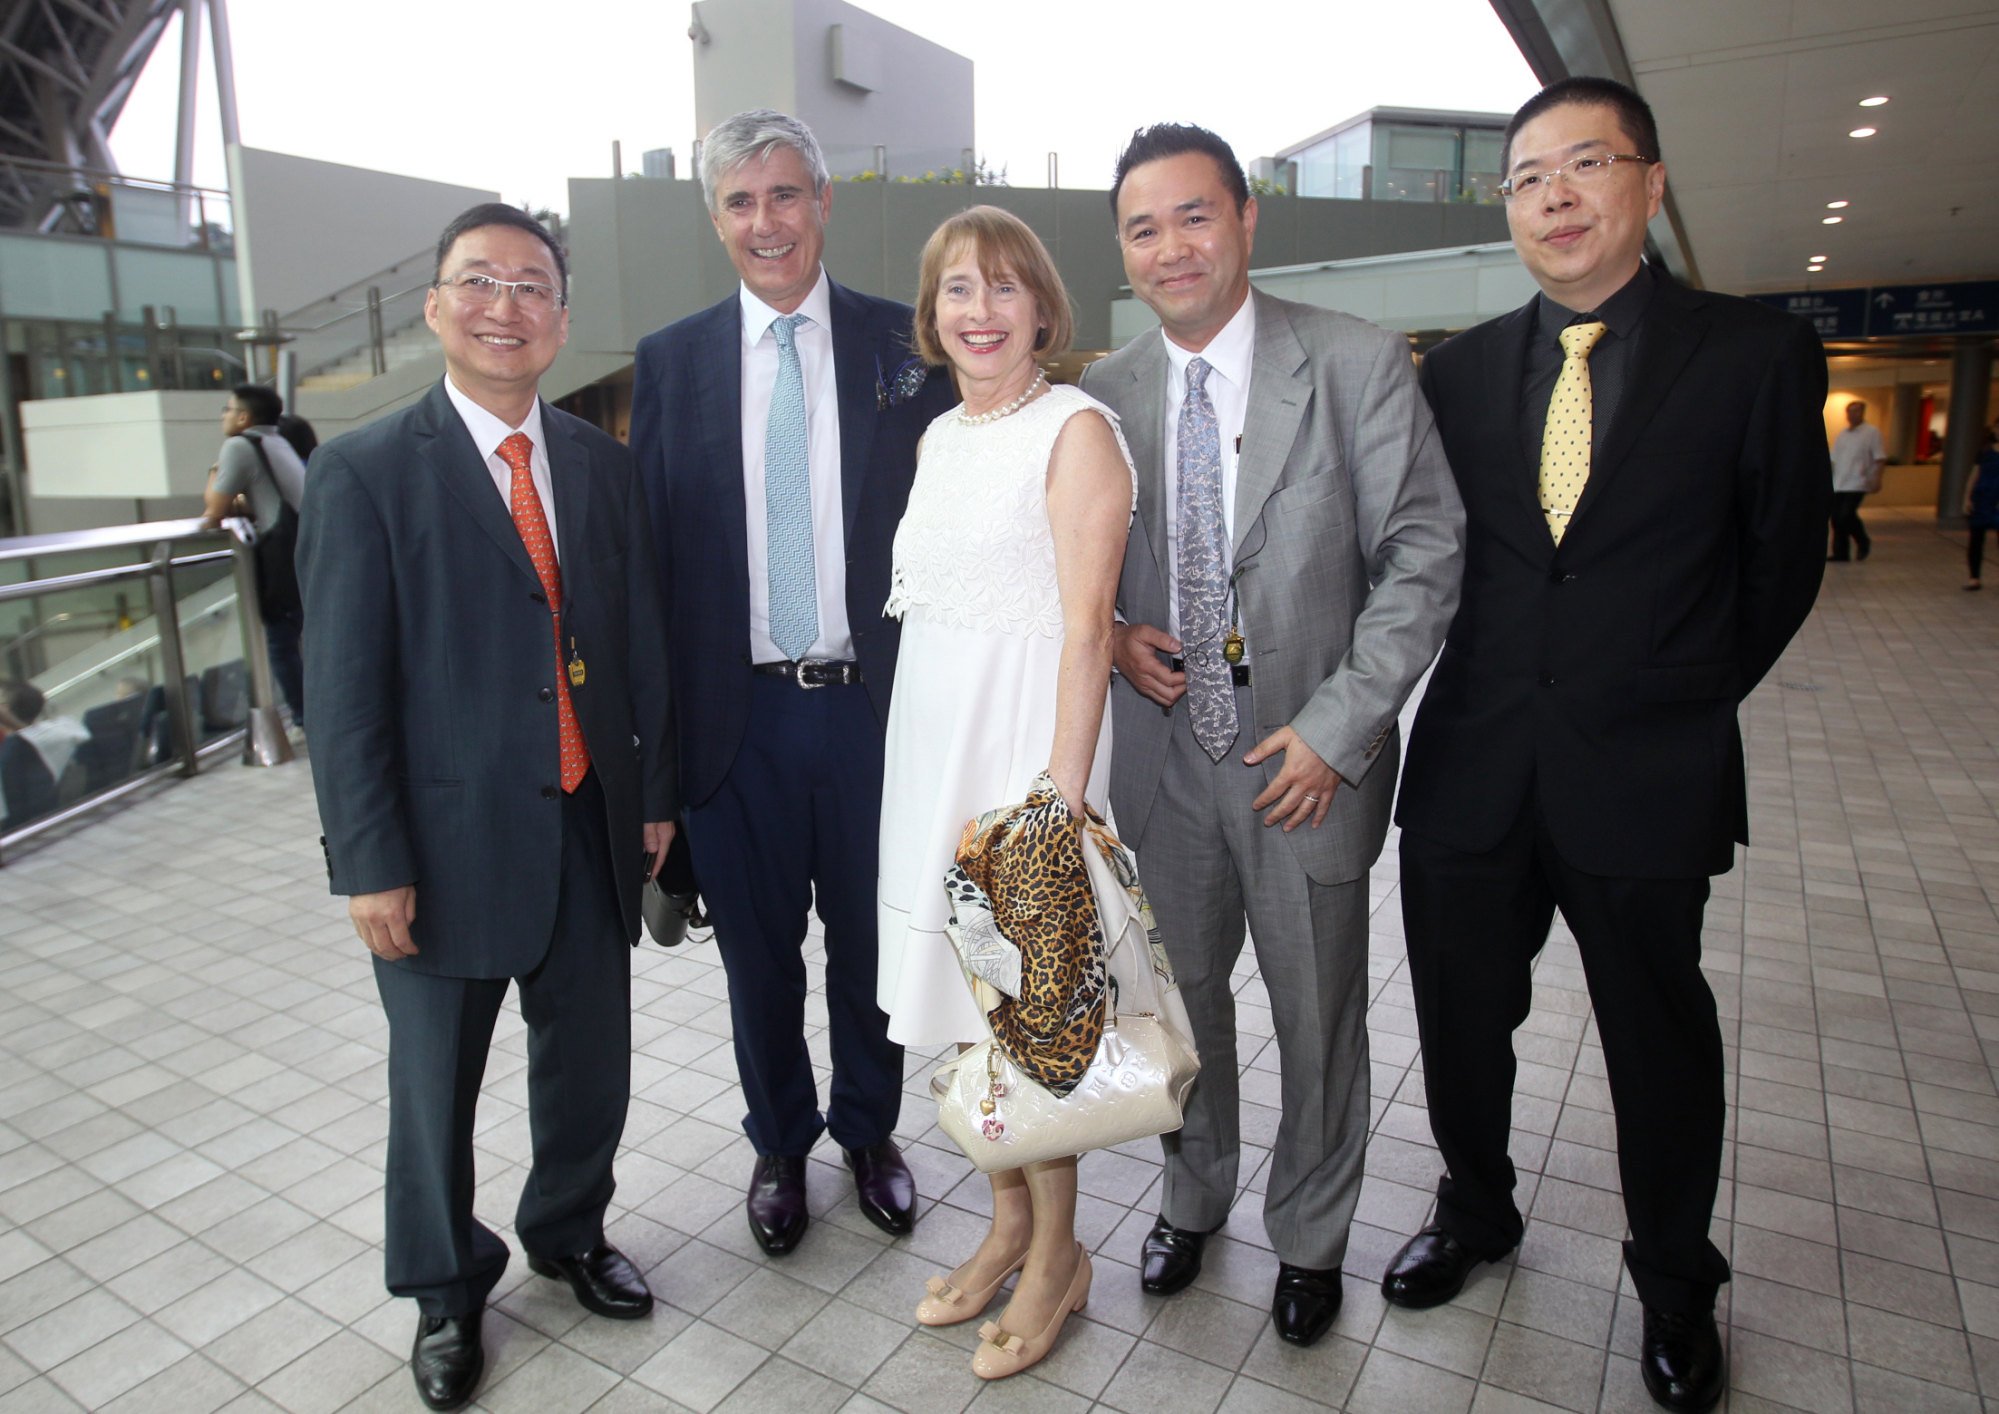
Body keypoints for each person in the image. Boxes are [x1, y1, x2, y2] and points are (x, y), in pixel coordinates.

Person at [1388, 78, 1829, 1414]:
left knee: (1655, 1037)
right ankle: (1475, 1208)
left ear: (1647, 182)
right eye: (1527, 178)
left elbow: (1780, 563)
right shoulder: (1458, 372)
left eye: (1584, 164)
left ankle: (1676, 1280)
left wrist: (1675, 696)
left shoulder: (1751, 354)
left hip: (1644, 772)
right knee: (1459, 1019)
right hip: (1471, 764)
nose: (1555, 197)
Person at [1077, 123, 1464, 1349]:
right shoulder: (1104, 393)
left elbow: (1423, 555)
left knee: (1318, 1015)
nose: (1171, 247)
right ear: (1124, 250)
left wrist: (1337, 728)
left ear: (1246, 218)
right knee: (1182, 1007)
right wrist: (1116, 634)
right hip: (1164, 762)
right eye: (1144, 228)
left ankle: (1309, 1234)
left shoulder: (1352, 361)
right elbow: (1072, 569)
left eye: (1194, 215)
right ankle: (1191, 1197)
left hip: (1306, 767)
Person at [297, 203, 677, 1413]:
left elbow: (639, 646)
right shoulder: (362, 471)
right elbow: (342, 691)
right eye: (478, 282)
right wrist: (368, 860)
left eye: (529, 286)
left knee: (590, 1063)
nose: (503, 306)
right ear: (434, 306)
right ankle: (445, 1288)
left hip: (585, 818)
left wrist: (651, 799)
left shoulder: (601, 466)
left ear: (561, 317)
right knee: (433, 1089)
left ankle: (569, 1231)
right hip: (437, 845)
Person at [630, 110, 955, 1259]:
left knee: (871, 948)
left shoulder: (904, 346)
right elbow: (652, 570)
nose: (764, 222)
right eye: (739, 201)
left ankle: (869, 1131)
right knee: (757, 961)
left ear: (821, 202)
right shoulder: (670, 362)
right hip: (736, 724)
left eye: (783, 194)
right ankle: (778, 1142)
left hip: (873, 712)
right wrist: (657, 773)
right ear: (716, 219)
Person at [877, 206, 1134, 1378]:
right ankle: (1008, 1225)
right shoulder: (941, 436)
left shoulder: (1076, 431)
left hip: (1024, 764)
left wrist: (1057, 806)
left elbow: (1088, 629)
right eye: (956, 291)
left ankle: (1058, 1258)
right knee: (967, 1013)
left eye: (1001, 288)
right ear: (932, 317)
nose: (977, 312)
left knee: (1033, 1021)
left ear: (1041, 308)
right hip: (934, 754)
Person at [204, 383, 308, 727]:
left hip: (281, 559)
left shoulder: (239, 445)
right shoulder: (276, 441)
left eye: (228, 409)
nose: (224, 415)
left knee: (280, 643)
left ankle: (304, 719)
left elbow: (214, 510)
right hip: (302, 548)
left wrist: (214, 472)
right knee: (298, 638)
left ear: (244, 417)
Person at [1828, 398, 1885, 561]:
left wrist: (1877, 478)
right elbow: (1834, 459)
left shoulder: (1872, 433)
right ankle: (1840, 553)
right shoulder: (1843, 435)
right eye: (1850, 412)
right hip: (1839, 483)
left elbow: (1880, 457)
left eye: (1856, 411)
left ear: (1862, 413)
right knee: (1836, 518)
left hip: (1858, 482)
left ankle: (1863, 540)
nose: (1852, 415)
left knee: (1846, 515)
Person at [1964, 427, 1998, 589]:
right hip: (1982, 499)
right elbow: (1974, 475)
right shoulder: (1984, 452)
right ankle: (1974, 577)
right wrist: (1967, 497)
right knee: (1976, 540)